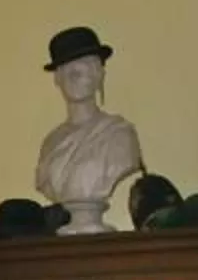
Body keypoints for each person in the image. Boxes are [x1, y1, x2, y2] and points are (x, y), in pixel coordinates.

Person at [33, 26, 144, 231]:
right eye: (66, 67)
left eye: (84, 64)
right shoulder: (50, 143)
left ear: (100, 73)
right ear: (57, 78)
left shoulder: (119, 134)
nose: (74, 73)